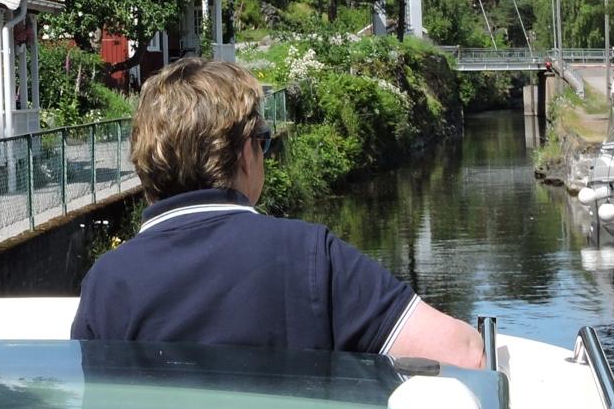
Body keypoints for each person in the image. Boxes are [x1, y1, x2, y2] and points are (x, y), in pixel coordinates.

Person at [71, 57, 485, 368]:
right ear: (244, 153)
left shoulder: (105, 283)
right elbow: (462, 354)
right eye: (264, 141)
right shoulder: (308, 255)